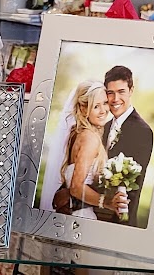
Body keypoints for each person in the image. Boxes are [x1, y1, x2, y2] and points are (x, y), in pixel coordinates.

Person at [53, 83, 127, 216]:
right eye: (96, 106)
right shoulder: (90, 138)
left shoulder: (77, 132)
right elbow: (76, 188)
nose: (103, 110)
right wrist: (107, 203)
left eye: (105, 103)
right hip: (81, 213)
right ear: (83, 109)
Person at [99, 65, 154, 225]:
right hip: (98, 213)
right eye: (110, 93)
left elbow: (133, 185)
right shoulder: (104, 127)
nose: (115, 99)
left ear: (131, 90)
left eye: (121, 91)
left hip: (120, 219)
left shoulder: (142, 131)